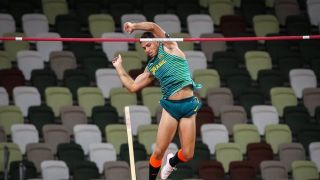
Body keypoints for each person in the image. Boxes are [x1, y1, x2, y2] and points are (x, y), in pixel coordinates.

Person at [112, 21, 202, 180]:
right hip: (171, 107)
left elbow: (153, 27)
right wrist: (119, 67)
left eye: (148, 45)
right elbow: (132, 87)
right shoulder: (151, 67)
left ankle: (172, 162)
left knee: (188, 154)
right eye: (144, 48)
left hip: (188, 106)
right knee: (159, 151)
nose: (146, 50)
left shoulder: (169, 46)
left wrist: (134, 26)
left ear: (156, 41)